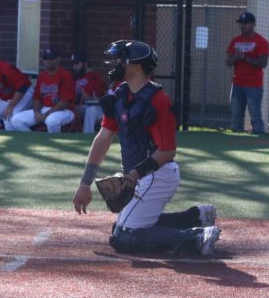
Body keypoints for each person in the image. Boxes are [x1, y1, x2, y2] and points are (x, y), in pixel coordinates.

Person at [72, 39, 220, 256]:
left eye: (122, 60)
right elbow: (103, 138)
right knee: (120, 230)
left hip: (158, 174)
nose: (116, 64)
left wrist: (134, 174)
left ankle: (197, 238)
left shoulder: (158, 100)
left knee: (126, 236)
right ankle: (195, 217)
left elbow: (167, 150)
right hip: (139, 176)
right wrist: (85, 183)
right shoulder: (119, 95)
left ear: (137, 66)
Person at [11, 47, 76, 133]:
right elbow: (37, 99)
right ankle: (35, 140)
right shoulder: (42, 76)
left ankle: (53, 144)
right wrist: (37, 113)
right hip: (45, 109)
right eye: (45, 59)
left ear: (58, 59)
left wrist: (45, 115)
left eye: (51, 58)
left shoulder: (66, 76)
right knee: (16, 119)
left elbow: (65, 102)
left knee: (51, 121)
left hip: (65, 111)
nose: (48, 61)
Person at [225, 11, 269, 134]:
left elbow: (263, 63)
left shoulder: (261, 41)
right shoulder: (235, 41)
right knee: (236, 115)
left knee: (255, 114)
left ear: (253, 24)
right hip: (237, 84)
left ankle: (259, 137)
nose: (243, 26)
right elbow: (228, 62)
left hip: (254, 85)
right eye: (241, 23)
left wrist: (245, 58)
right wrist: (236, 58)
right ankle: (237, 137)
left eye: (246, 23)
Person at [71, 50, 108, 134]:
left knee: (91, 111)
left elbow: (86, 96)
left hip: (97, 108)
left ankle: (87, 135)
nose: (74, 67)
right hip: (81, 106)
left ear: (86, 64)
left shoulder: (95, 78)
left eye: (77, 64)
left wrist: (76, 95)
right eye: (73, 64)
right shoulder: (76, 77)